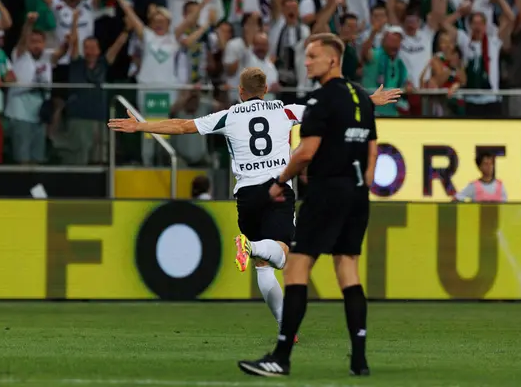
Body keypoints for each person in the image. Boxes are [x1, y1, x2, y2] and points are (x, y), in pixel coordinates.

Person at [108, 67, 399, 338]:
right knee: (282, 255)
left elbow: (183, 126)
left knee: (263, 267)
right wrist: (371, 99)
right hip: (277, 189)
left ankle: (285, 326)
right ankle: (252, 248)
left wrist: (141, 126)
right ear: (266, 90)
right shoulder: (284, 110)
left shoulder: (229, 115)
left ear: (240, 91)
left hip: (246, 196)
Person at [237, 33, 378, 378]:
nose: (306, 61)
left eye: (313, 56)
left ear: (332, 60)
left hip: (326, 192)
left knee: (296, 268)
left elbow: (306, 152)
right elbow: (373, 149)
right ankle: (359, 359)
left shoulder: (319, 101)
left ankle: (281, 357)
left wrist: (280, 182)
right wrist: (362, 187)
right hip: (357, 194)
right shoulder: (360, 98)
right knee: (348, 271)